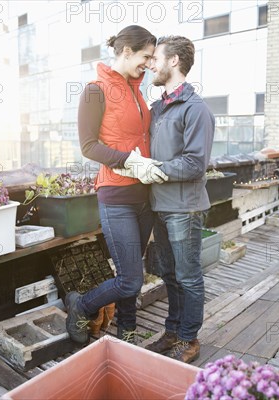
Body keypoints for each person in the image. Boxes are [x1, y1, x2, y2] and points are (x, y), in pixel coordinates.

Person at [66, 25, 168, 345]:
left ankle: (128, 335)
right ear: (126, 51)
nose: (150, 63)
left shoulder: (137, 91)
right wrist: (131, 162)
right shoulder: (95, 90)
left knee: (131, 273)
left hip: (144, 198)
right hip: (117, 197)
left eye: (153, 58)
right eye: (146, 56)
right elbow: (88, 146)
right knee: (129, 280)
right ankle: (80, 306)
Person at [141, 36, 215, 363]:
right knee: (169, 275)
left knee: (188, 276)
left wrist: (153, 168)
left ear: (174, 61)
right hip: (160, 205)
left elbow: (195, 164)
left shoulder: (196, 109)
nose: (151, 64)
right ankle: (172, 332)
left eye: (156, 58)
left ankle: (189, 339)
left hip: (184, 209)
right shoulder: (158, 108)